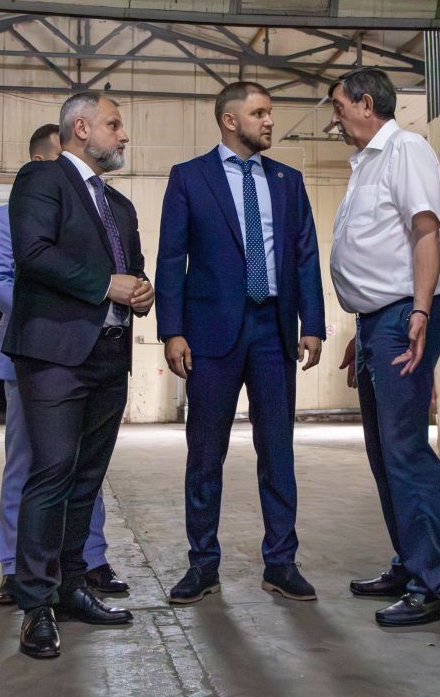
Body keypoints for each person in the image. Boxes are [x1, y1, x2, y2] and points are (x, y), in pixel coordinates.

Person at [155, 81, 325, 604]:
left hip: (274, 331)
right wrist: (172, 330)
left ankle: (281, 562)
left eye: (270, 112)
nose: (270, 121)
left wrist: (313, 323)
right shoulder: (189, 178)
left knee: (277, 451)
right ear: (230, 121)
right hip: (210, 335)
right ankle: (202, 564)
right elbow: (171, 258)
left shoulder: (288, 181)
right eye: (259, 113)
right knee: (206, 454)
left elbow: (305, 255)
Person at [3, 91, 152, 659]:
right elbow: (33, 253)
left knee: (87, 479)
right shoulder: (41, 180)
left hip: (110, 355)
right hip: (55, 355)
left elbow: (132, 269)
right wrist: (106, 285)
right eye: (115, 124)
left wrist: (142, 291)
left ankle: (72, 586)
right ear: (82, 128)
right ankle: (36, 604)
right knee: (52, 474)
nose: (124, 135)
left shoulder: (121, 206)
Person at [328, 67, 440, 628]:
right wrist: (362, 330)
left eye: (339, 107)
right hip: (377, 320)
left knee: (404, 450)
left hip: (404, 313)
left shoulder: (406, 149)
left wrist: (420, 311)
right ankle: (410, 564)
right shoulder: (367, 163)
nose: (335, 118)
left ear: (365, 104)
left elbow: (425, 231)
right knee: (384, 451)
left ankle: (434, 585)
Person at [0, 123, 129, 608]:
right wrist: (73, 304)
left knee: (86, 467)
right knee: (32, 467)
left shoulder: (103, 211)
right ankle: (15, 566)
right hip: (36, 352)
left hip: (93, 352)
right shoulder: (6, 217)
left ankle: (88, 559)